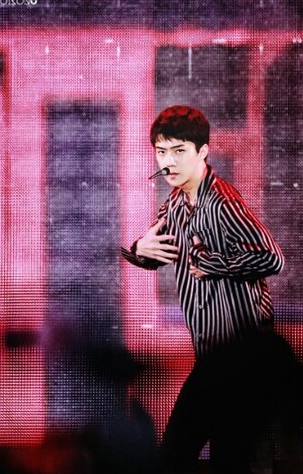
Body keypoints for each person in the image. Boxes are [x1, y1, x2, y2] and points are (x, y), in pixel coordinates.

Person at [121, 105, 285, 474]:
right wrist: (138, 249)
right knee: (183, 457)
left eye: (179, 151)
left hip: (245, 362)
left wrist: (215, 264)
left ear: (203, 152)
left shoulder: (222, 202)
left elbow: (273, 258)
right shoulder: (176, 203)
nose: (169, 162)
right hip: (213, 360)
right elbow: (156, 251)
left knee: (211, 457)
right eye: (162, 152)